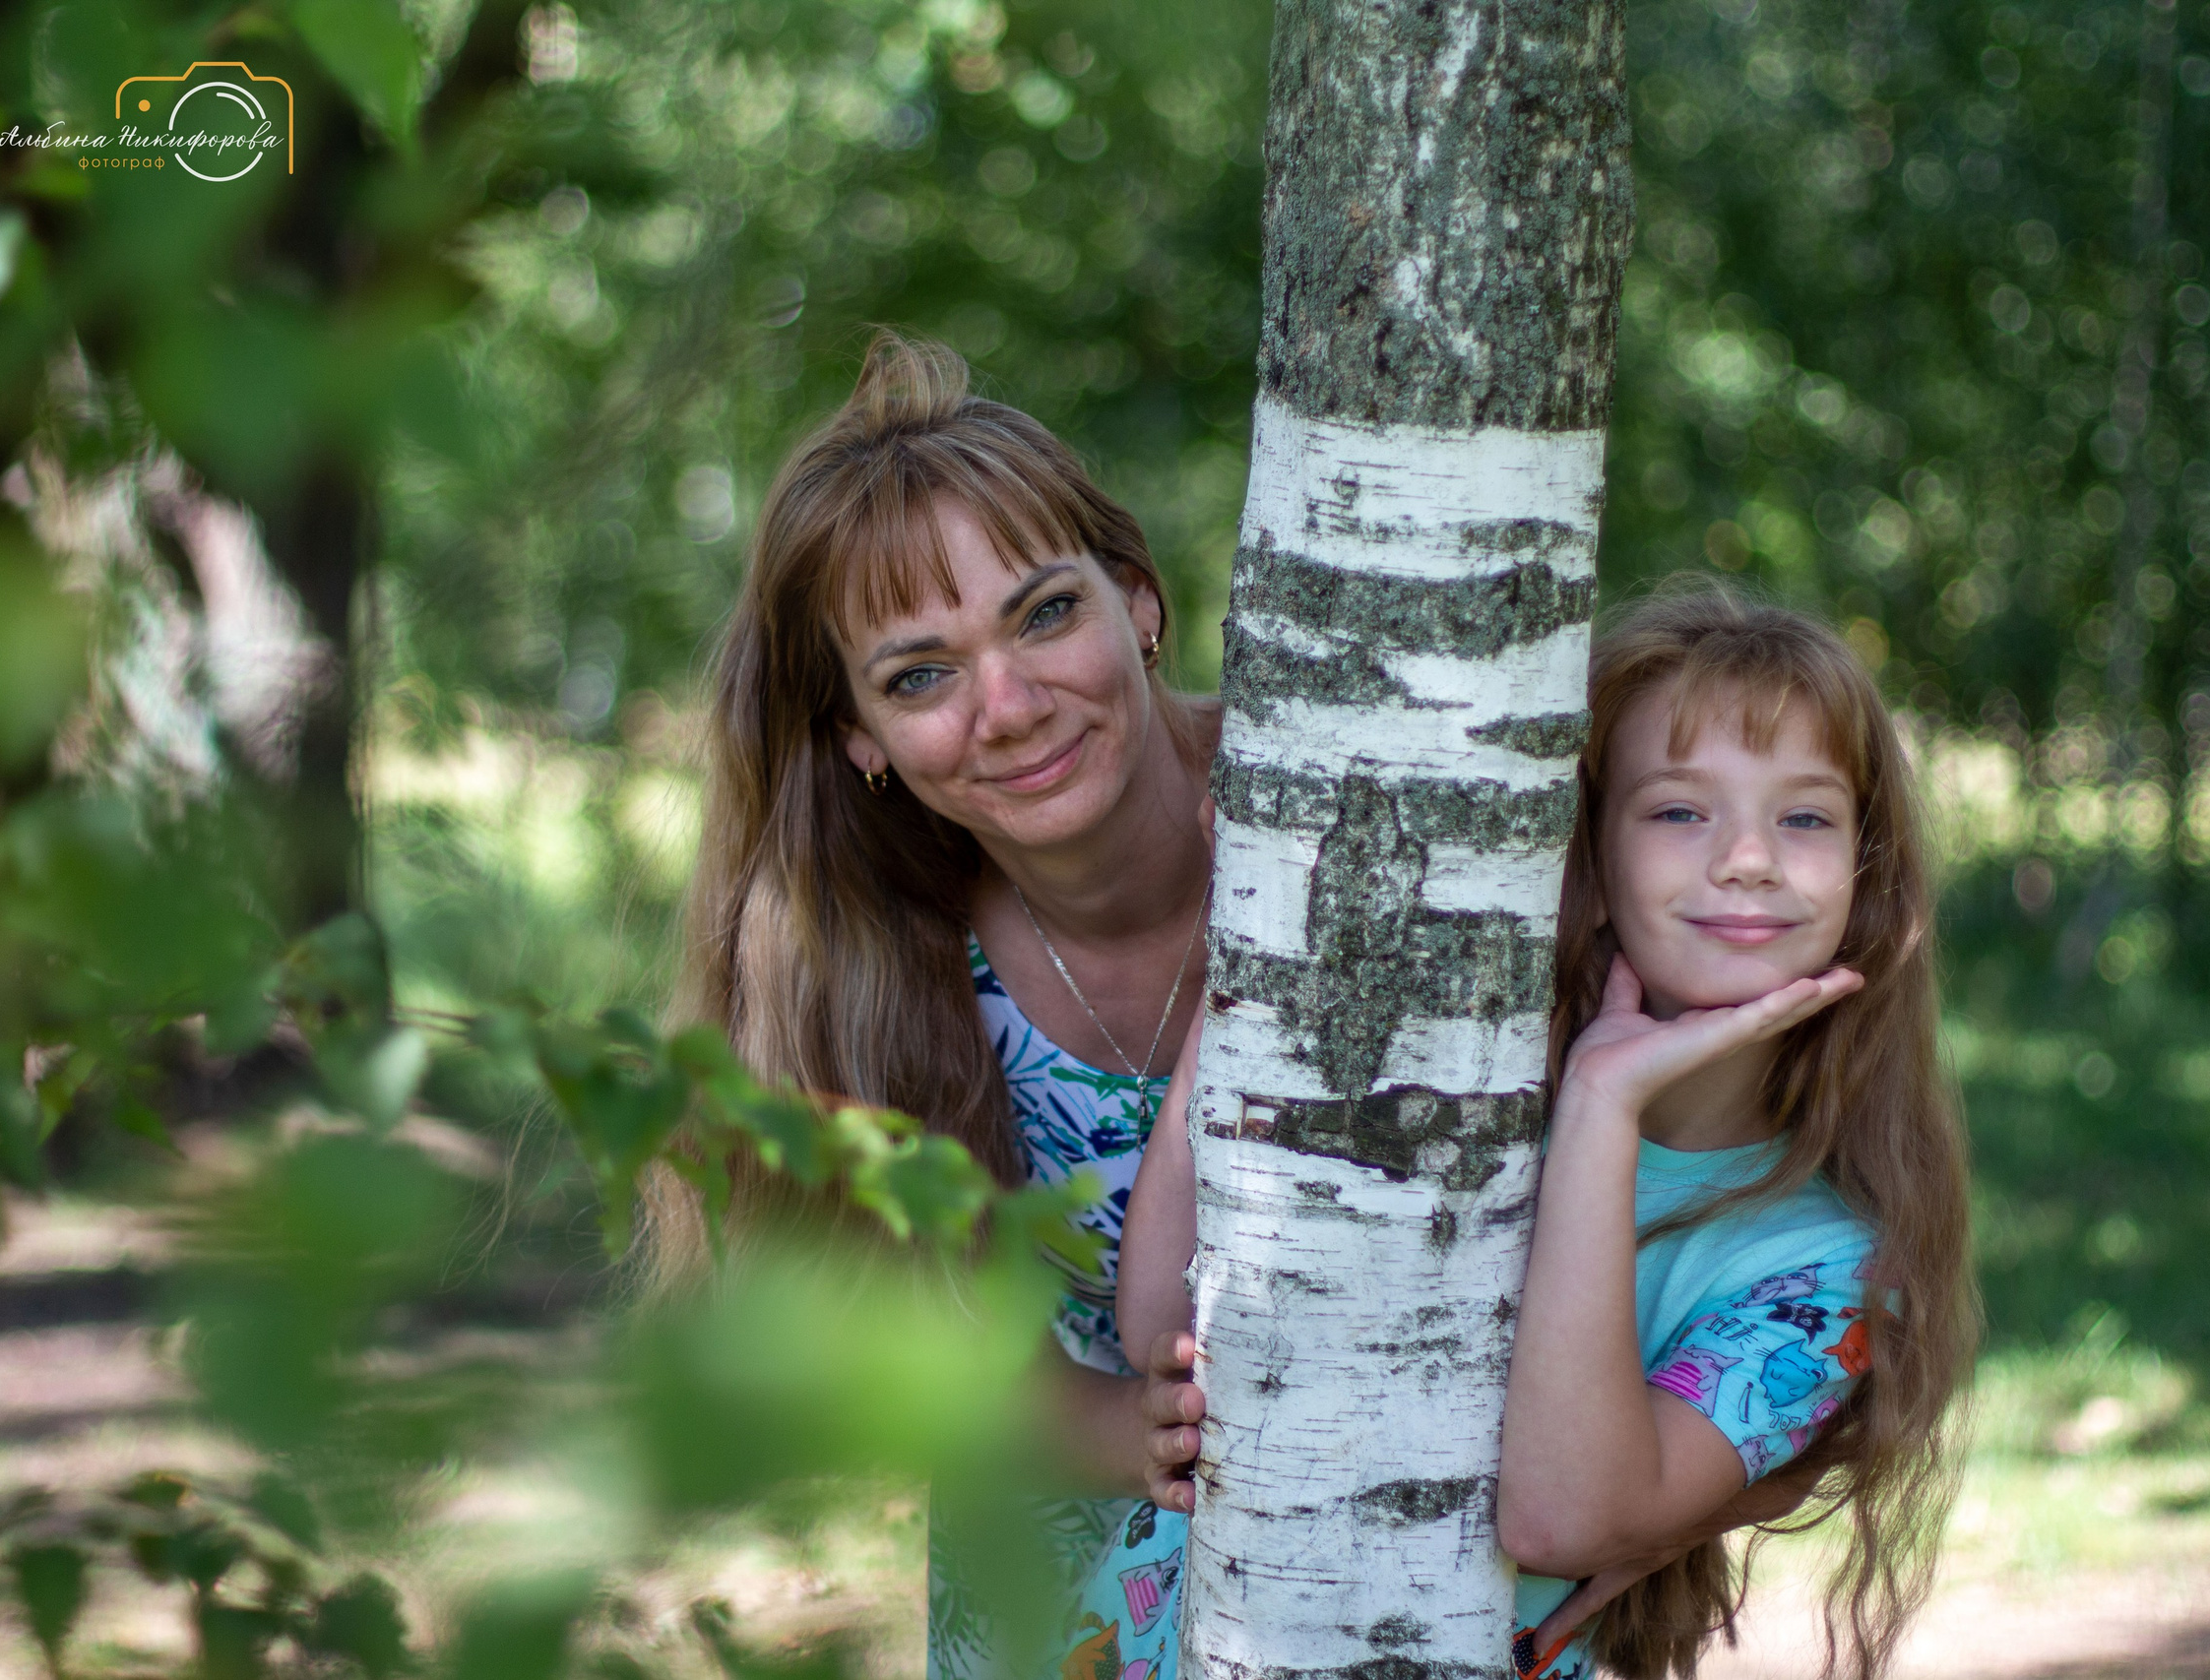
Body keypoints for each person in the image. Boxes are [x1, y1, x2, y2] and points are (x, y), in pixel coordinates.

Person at [1072, 583, 1977, 1680]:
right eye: (1679, 810)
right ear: (1586, 866)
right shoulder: (1451, 1087)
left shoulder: (1821, 1269)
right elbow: (1166, 1327)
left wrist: (1603, 1109)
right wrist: (1258, 971)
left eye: (1804, 816)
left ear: (1866, 881)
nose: (1747, 857)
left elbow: (1558, 1519)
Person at [648, 332, 1214, 1680]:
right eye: (920, 675)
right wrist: (1131, 1433)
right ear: (861, 736)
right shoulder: (866, 951)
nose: (1009, 704)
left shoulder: (1355, 815)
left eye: (1043, 613)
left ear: (1135, 597)